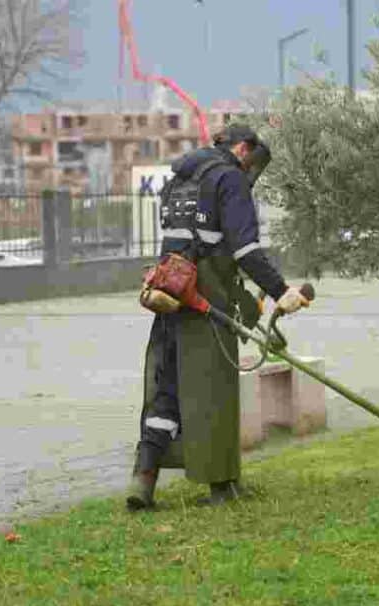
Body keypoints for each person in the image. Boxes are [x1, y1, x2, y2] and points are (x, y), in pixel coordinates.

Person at [127, 124, 309, 511]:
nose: (252, 173)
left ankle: (143, 481)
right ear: (243, 149)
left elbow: (188, 239)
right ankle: (221, 489)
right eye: (253, 162)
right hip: (207, 297)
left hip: (169, 293)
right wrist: (281, 291)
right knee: (212, 392)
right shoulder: (230, 179)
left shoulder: (179, 179)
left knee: (166, 386)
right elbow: (246, 252)